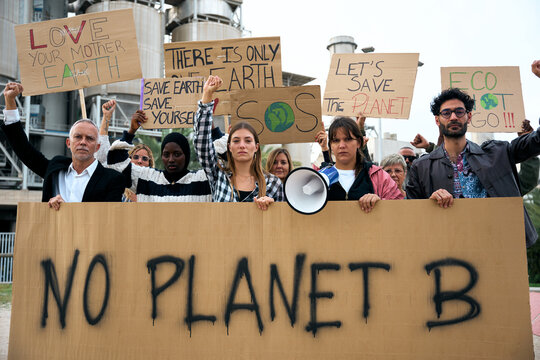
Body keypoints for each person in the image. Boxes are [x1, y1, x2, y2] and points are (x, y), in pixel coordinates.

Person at [406, 87, 540, 247]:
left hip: (499, 247)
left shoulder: (498, 153)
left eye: (459, 112)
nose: (453, 117)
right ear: (437, 120)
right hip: (447, 251)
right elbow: (411, 217)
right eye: (446, 113)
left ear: (469, 116)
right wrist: (430, 202)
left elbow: (537, 141)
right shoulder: (421, 167)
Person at [1, 82, 124, 210]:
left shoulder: (113, 179)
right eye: (78, 137)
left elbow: (109, 220)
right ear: (68, 143)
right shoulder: (55, 169)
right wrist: (10, 100)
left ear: (97, 147)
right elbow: (23, 149)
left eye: (89, 138)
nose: (83, 142)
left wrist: (67, 211)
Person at [194, 75, 283, 210]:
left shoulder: (273, 183)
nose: (242, 145)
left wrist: (273, 208)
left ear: (256, 147)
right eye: (236, 140)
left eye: (248, 141)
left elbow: (282, 224)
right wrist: (207, 95)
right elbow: (202, 143)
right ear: (229, 147)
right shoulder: (218, 175)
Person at [106, 110, 226, 202]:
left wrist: (213, 129)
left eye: (177, 154)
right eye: (166, 154)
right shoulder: (147, 178)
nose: (171, 159)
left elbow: (227, 163)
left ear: (186, 156)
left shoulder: (204, 179)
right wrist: (131, 131)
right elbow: (116, 164)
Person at [321, 117, 403, 213]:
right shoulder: (320, 176)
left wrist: (380, 202)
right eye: (336, 140)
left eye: (348, 139)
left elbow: (399, 207)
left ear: (359, 143)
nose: (341, 145)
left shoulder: (378, 175)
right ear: (330, 144)